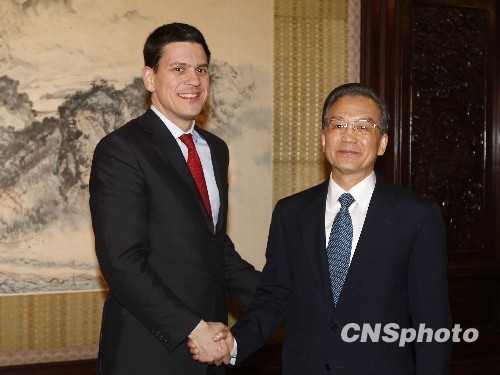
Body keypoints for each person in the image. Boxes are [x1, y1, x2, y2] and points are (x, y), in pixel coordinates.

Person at [190, 83, 451, 373]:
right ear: (324, 137)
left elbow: (432, 324)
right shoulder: (291, 213)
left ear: (383, 143)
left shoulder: (416, 216)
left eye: (363, 127)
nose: (349, 136)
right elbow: (274, 297)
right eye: (338, 125)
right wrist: (235, 342)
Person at [89, 22, 260, 375]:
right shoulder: (122, 150)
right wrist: (194, 328)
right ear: (150, 78)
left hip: (211, 349)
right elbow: (121, 261)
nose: (193, 80)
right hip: (149, 351)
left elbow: (214, 250)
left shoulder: (216, 150)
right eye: (178, 69)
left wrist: (282, 300)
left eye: (201, 70)